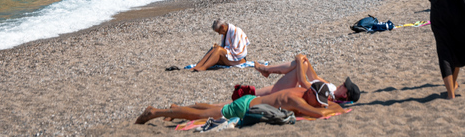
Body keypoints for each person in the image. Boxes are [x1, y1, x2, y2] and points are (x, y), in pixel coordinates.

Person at [134, 83, 342, 124]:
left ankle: (176, 109)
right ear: (311, 93)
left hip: (249, 102)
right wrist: (334, 107)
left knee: (212, 109)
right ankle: (157, 112)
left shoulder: (301, 90)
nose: (320, 104)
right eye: (319, 100)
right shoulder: (295, 99)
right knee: (204, 116)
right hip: (245, 107)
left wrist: (327, 103)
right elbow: (319, 114)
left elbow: (318, 106)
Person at [253, 53, 360, 103]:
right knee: (252, 93)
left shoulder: (328, 95)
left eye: (345, 85)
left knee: (301, 63)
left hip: (290, 91)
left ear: (344, 94)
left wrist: (300, 61)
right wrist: (306, 61)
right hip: (291, 86)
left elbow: (303, 83)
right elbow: (314, 77)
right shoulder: (332, 87)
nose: (343, 83)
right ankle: (266, 70)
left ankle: (267, 70)